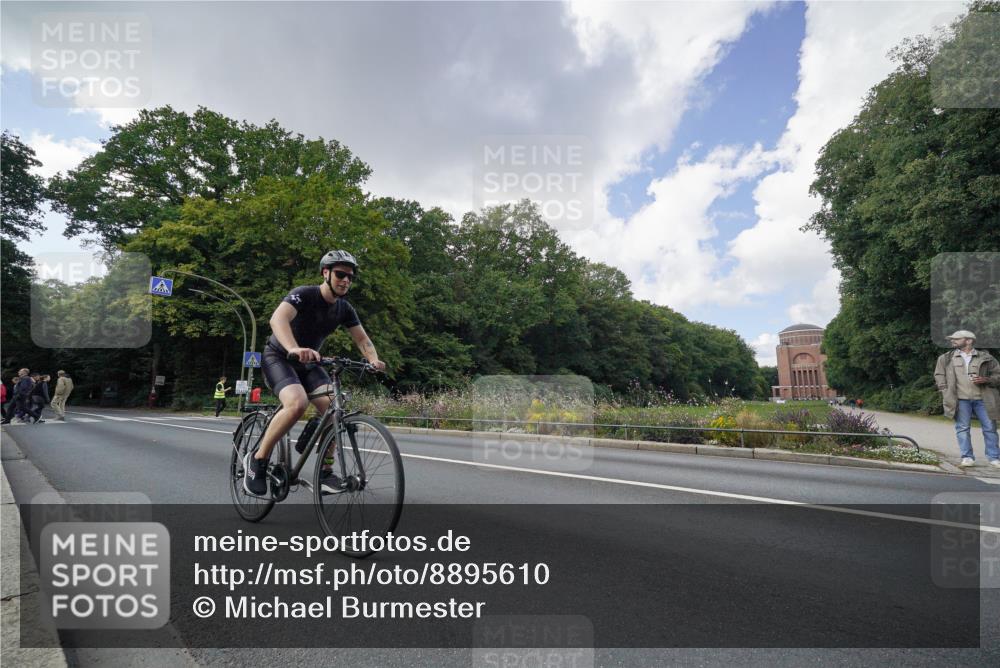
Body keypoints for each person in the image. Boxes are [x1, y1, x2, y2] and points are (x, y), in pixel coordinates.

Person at [244, 250, 385, 496]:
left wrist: (373, 359)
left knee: (334, 410)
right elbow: (278, 320)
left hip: (310, 363)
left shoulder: (344, 308)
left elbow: (362, 339)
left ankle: (325, 474)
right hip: (279, 357)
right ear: (326, 273)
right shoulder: (304, 294)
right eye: (341, 274)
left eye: (350, 277)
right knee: (296, 403)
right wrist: (294, 348)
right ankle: (257, 460)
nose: (346, 280)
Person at [934, 330, 1000, 468]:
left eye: (956, 339)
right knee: (962, 428)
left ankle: (994, 458)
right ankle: (967, 457)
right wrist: (944, 390)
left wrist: (986, 379)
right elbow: (939, 375)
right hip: (960, 400)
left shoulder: (986, 357)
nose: (952, 341)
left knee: (990, 428)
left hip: (984, 400)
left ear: (969, 341)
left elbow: (998, 376)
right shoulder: (946, 358)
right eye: (952, 339)